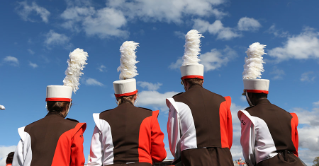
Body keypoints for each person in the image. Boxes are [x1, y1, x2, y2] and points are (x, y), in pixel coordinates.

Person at [88, 41, 166, 166]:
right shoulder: (150, 116)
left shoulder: (101, 118)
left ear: (116, 97)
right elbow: (159, 155)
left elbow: (95, 160)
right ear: (136, 95)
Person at [166, 30, 233, 166]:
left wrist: (179, 158)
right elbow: (229, 135)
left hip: (193, 158)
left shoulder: (176, 102)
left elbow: (175, 141)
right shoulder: (222, 100)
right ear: (202, 81)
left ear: (185, 82)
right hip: (224, 157)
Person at [12, 48, 88, 166]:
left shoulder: (27, 129)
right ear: (67, 107)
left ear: (47, 105)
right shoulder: (74, 128)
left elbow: (17, 163)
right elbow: (78, 162)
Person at [238, 42, 304, 166]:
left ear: (250, 95)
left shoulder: (248, 114)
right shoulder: (288, 114)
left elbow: (248, 149)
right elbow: (295, 145)